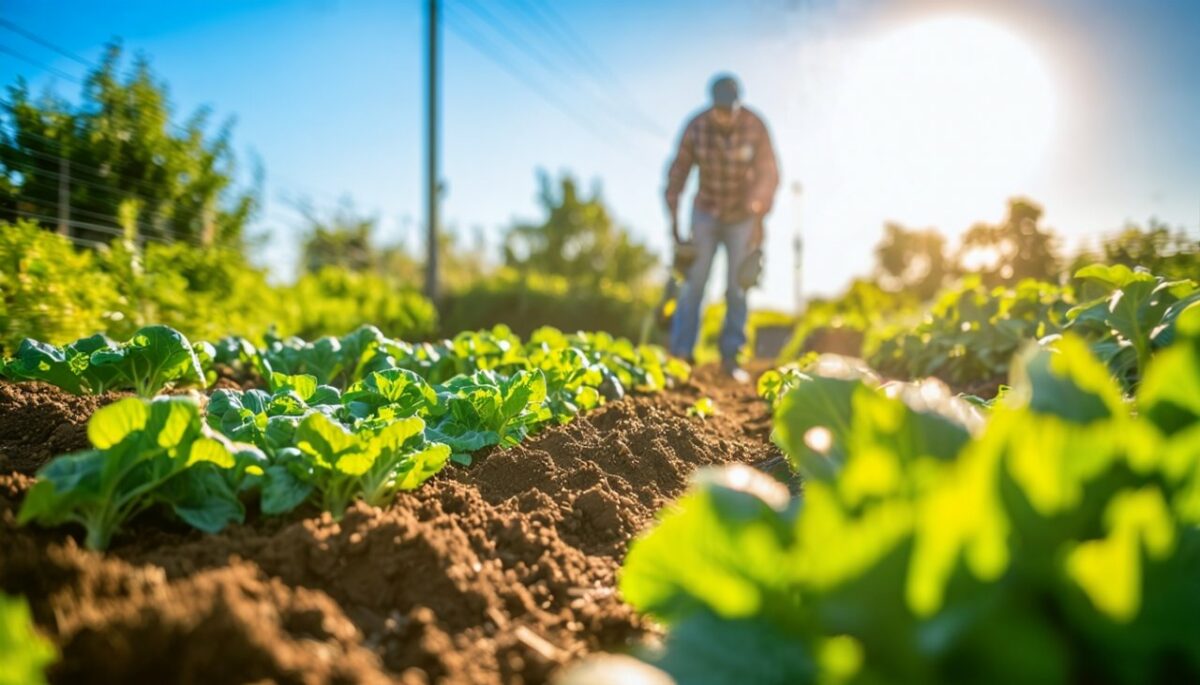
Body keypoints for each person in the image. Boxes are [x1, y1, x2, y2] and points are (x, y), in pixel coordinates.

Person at [664, 73, 779, 382]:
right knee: (693, 284)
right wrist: (675, 225)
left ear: (738, 106)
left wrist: (758, 215)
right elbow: (678, 172)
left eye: (730, 109)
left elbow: (769, 173)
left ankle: (731, 357)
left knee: (737, 288)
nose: (725, 116)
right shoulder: (697, 126)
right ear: (712, 105)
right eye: (720, 109)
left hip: (742, 215)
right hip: (706, 213)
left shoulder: (755, 126)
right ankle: (682, 356)